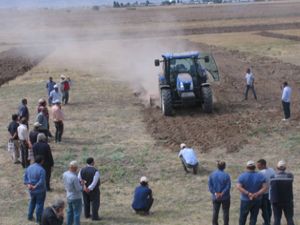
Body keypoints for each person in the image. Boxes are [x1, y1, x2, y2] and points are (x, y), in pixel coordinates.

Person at [237, 160, 267, 225]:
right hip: (257, 199)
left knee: (243, 217)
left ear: (247, 167)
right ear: (254, 167)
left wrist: (248, 193)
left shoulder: (242, 176)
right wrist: (257, 194)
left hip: (245, 200)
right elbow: (265, 187)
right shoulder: (260, 176)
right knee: (253, 218)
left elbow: (239, 187)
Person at [270, 160, 295, 225]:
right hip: (288, 200)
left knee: (277, 219)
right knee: (289, 218)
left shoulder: (272, 176)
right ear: (285, 168)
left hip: (276, 201)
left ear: (277, 167)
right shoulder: (290, 176)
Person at [24, 155, 46, 223]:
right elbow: (41, 181)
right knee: (39, 204)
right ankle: (39, 219)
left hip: (31, 190)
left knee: (32, 202)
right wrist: (35, 186)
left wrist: (28, 184)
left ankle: (29, 216)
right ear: (41, 161)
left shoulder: (29, 167)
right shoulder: (42, 170)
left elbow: (25, 178)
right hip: (40, 190)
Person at [208, 161, 231, 225]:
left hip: (215, 197)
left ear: (217, 166)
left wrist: (215, 193)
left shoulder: (212, 175)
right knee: (225, 212)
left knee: (215, 212)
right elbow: (228, 186)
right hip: (225, 197)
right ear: (224, 167)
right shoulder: (226, 175)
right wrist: (222, 193)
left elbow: (210, 186)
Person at [63, 161, 83, 225]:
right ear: (75, 168)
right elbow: (78, 188)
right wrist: (82, 185)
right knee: (77, 213)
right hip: (76, 197)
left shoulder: (65, 174)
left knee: (69, 212)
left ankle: (69, 223)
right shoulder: (74, 177)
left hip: (68, 195)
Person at [256, 159, 276, 225]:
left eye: (259, 165)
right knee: (268, 208)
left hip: (263, 193)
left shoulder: (260, 173)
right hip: (271, 192)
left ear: (263, 165)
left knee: (264, 210)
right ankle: (268, 221)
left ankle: (266, 222)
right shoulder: (272, 170)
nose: (257, 166)